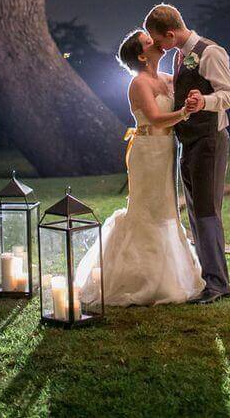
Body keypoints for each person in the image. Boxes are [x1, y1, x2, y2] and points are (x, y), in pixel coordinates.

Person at [77, 28, 204, 307]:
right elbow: (157, 118)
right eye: (149, 42)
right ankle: (138, 277)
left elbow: (184, 83)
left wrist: (195, 93)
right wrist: (184, 112)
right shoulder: (139, 83)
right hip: (147, 152)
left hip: (166, 150)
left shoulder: (165, 78)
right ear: (141, 54)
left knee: (167, 208)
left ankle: (171, 274)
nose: (156, 42)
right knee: (148, 209)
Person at [144, 4, 230, 304]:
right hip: (190, 141)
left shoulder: (210, 52)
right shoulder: (180, 56)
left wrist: (205, 101)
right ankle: (209, 277)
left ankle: (218, 284)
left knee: (207, 211)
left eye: (159, 42)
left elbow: (229, 95)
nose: (159, 47)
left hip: (210, 140)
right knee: (196, 211)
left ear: (170, 34)